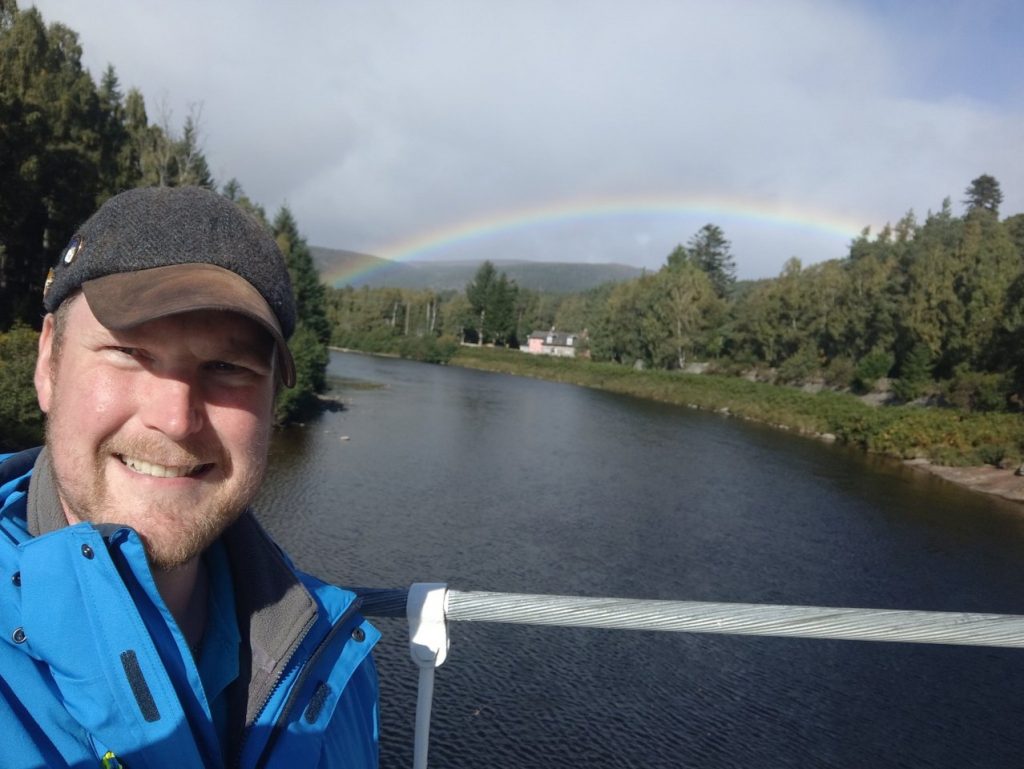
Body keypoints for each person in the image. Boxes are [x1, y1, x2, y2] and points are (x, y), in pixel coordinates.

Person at [0, 186, 380, 768]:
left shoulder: (334, 660)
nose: (176, 419)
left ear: (275, 399)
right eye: (129, 352)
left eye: (227, 368)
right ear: (48, 363)